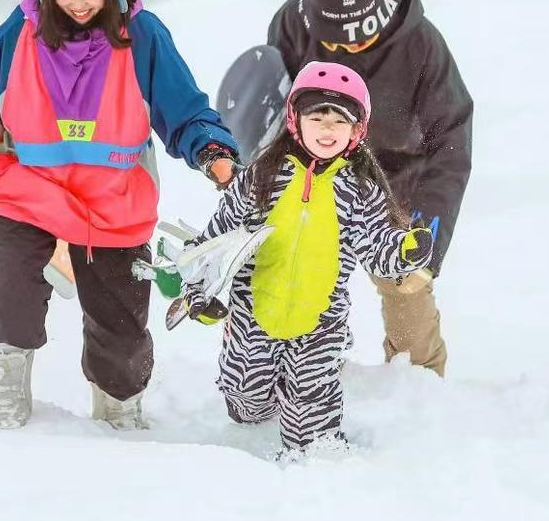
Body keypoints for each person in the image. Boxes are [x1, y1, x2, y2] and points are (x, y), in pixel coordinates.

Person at [0, 0, 238, 430]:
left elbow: (184, 108)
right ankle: (5, 399)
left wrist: (212, 151)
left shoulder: (143, 36)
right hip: (28, 191)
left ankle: (118, 409)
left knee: (122, 332)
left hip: (114, 202)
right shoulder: (18, 34)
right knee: (10, 294)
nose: (78, 2)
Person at [181, 62, 432, 456]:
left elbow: (376, 243)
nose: (328, 128)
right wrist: (199, 289)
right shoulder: (262, 176)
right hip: (254, 312)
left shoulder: (360, 190)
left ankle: (316, 456)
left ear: (357, 130)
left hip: (320, 320)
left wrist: (403, 251)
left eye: (340, 120)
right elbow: (218, 235)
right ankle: (260, 392)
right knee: (245, 402)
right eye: (318, 116)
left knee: (310, 421)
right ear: (296, 120)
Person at [267, 0, 472, 376]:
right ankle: (289, 380)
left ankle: (420, 393)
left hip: (397, 181)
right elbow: (272, 109)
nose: (350, 47)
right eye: (337, 41)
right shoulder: (293, 23)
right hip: (313, 177)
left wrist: (426, 245)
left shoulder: (421, 45)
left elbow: (450, 141)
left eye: (360, 37)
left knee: (408, 292)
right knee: (285, 286)